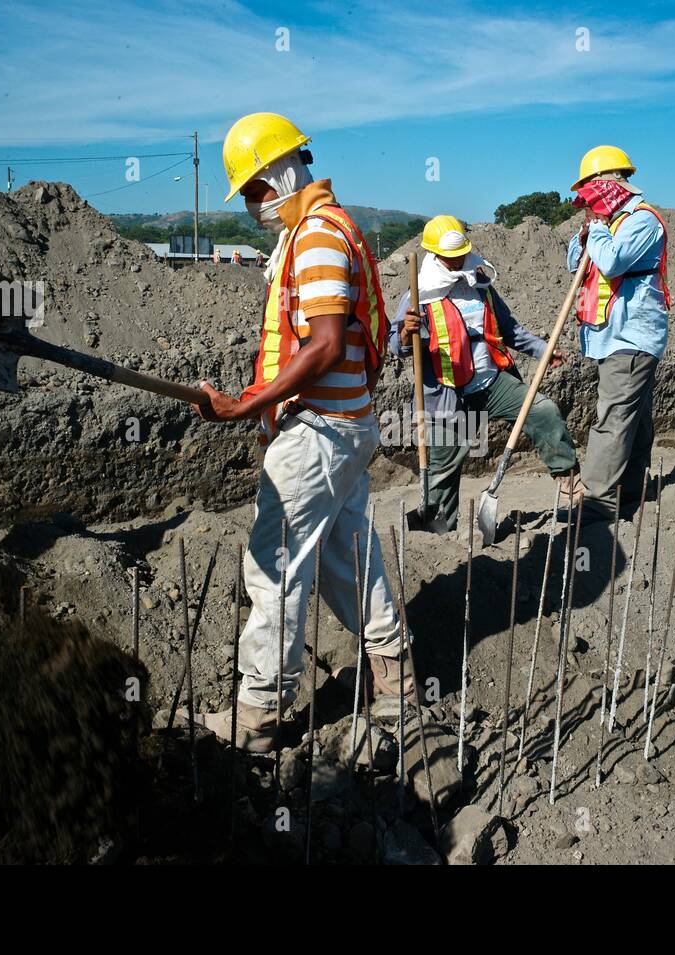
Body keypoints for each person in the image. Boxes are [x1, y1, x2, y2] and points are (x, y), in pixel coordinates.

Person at [189, 112, 411, 751]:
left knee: (273, 565)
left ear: (282, 172)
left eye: (257, 190)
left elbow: (323, 345)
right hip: (346, 426)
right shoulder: (332, 225)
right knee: (347, 556)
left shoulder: (315, 236)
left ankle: (259, 711)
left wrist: (246, 404)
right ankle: (394, 680)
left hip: (318, 431)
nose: (254, 206)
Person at [391, 215, 579, 531]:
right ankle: (440, 535)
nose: (458, 261)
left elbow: (510, 329)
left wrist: (541, 350)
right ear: (435, 255)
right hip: (447, 394)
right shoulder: (418, 294)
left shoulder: (480, 286)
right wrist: (405, 334)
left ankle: (570, 482)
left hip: (491, 381)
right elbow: (397, 347)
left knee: (543, 411)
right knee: (443, 470)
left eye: (461, 253)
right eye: (451, 257)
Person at [565, 145, 672, 521]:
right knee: (636, 419)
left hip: (632, 335)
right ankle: (630, 494)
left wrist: (595, 232)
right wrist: (586, 236)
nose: (587, 197)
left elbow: (611, 261)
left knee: (611, 419)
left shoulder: (642, 221)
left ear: (612, 181)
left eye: (591, 186)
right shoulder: (604, 224)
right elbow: (572, 264)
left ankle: (597, 503)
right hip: (612, 334)